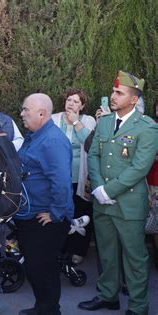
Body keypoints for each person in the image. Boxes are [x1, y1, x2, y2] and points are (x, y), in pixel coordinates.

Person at [79, 71, 158, 315]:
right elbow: (93, 154)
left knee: (135, 258)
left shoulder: (147, 127)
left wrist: (107, 190)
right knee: (107, 253)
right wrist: (100, 189)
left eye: (119, 93)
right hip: (104, 203)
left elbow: (139, 168)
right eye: (113, 91)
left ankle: (138, 306)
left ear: (134, 99)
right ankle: (108, 295)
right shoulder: (104, 122)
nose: (113, 96)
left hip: (129, 204)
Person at [15, 93, 74, 315]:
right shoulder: (35, 135)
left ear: (42, 113)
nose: (21, 114)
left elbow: (61, 183)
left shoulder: (52, 141)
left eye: (25, 110)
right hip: (30, 215)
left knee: (43, 268)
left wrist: (56, 213)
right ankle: (43, 307)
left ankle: (49, 310)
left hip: (45, 219)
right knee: (35, 266)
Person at [51, 88, 96, 264]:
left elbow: (91, 145)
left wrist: (76, 122)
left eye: (76, 101)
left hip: (81, 177)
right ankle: (60, 248)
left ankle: (79, 250)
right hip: (58, 178)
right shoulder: (54, 119)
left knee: (82, 213)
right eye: (69, 100)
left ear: (82, 105)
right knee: (60, 214)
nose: (71, 103)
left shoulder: (88, 121)